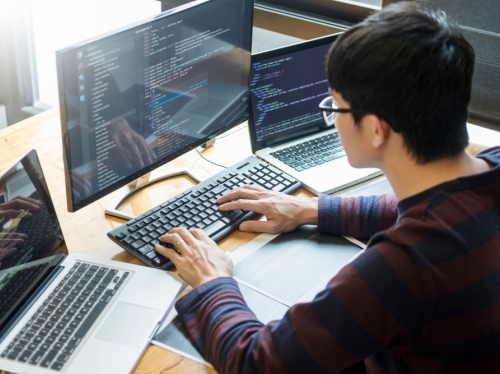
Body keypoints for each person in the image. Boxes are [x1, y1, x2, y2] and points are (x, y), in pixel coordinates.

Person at [155, 2, 500, 373]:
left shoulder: (404, 265)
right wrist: (314, 210)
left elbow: (257, 363)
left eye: (335, 107)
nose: (332, 120)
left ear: (376, 129)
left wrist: (212, 280)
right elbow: (437, 211)